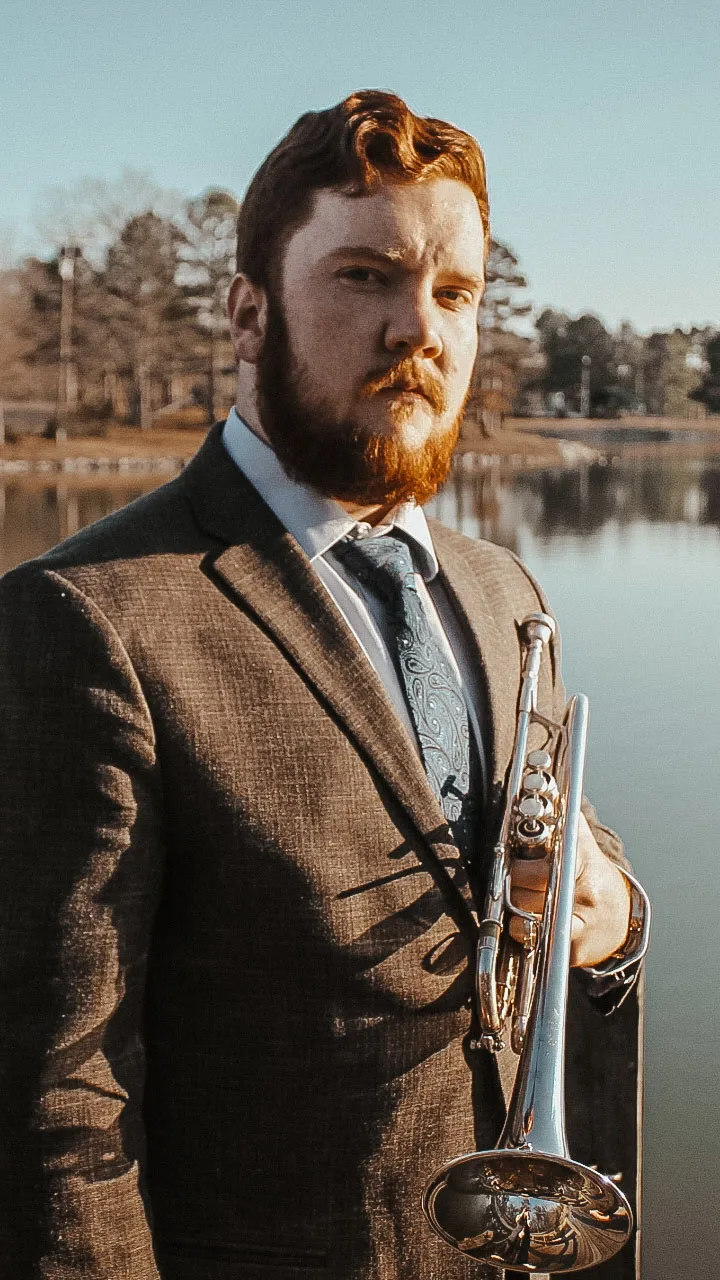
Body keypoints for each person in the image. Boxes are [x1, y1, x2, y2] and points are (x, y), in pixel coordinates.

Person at [0, 91, 648, 1280]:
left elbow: (558, 864)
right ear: (248, 311)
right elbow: (57, 1103)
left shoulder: (502, 585)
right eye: (365, 278)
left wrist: (605, 915)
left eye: (455, 293)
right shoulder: (84, 616)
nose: (421, 329)